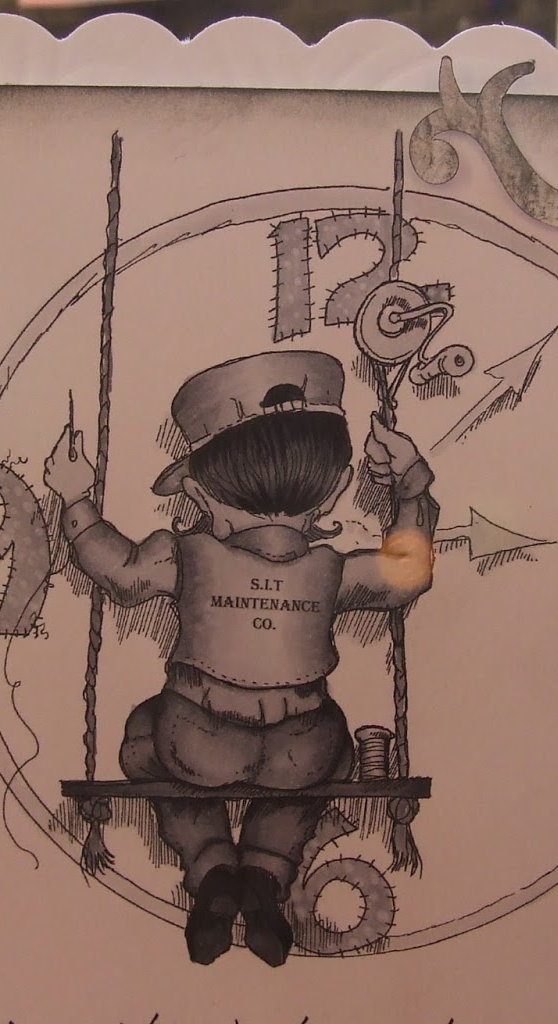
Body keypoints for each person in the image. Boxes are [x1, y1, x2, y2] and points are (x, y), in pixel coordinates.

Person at [44, 349, 437, 966]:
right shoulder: (334, 569)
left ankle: (209, 869)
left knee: (144, 740)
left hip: (197, 738)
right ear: (338, 488)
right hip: (301, 746)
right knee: (326, 761)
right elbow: (407, 575)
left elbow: (120, 575)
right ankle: (265, 872)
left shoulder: (181, 553)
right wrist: (412, 484)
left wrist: (75, 501)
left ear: (199, 494)